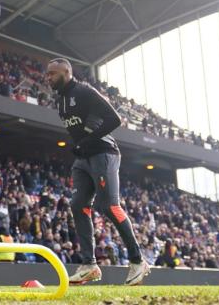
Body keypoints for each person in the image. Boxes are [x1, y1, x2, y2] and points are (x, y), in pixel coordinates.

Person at [44, 58, 150, 286]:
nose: (48, 77)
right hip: (83, 159)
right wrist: (82, 144)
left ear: (66, 72)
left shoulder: (84, 91)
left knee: (109, 206)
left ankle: (137, 260)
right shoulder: (60, 100)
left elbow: (114, 119)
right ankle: (89, 265)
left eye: (52, 73)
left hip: (104, 154)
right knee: (78, 204)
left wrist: (88, 139)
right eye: (47, 74)